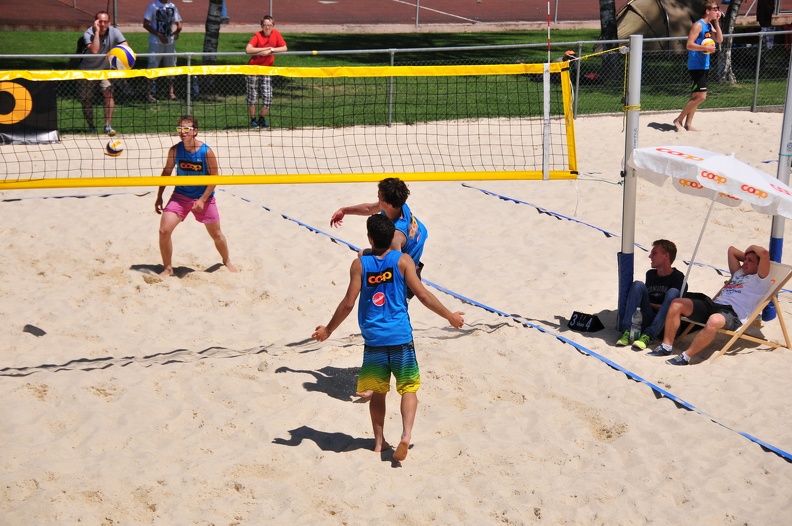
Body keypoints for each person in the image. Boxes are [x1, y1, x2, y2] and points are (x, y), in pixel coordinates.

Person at [311, 214, 465, 461]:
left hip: (374, 341)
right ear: (392, 237)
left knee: (378, 393)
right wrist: (449, 316)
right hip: (400, 337)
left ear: (370, 237)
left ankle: (379, 443)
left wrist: (328, 329)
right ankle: (405, 436)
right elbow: (423, 296)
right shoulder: (403, 261)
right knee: (409, 389)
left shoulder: (360, 265)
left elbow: (348, 303)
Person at [649, 245, 771, 366]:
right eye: (744, 259)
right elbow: (731, 250)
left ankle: (686, 356)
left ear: (759, 265)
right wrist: (749, 255)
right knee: (677, 303)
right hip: (713, 305)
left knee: (713, 320)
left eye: (750, 261)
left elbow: (764, 253)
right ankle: (666, 346)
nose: (744, 263)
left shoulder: (760, 281)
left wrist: (751, 248)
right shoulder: (739, 273)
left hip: (731, 314)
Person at [155, 115, 238, 277]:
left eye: (186, 129)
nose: (182, 132)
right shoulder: (174, 150)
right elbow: (166, 173)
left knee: (217, 234)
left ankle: (227, 260)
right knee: (164, 231)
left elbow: (214, 178)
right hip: (180, 196)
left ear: (195, 131)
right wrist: (159, 196)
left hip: (204, 198)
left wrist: (202, 199)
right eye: (180, 129)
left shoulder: (206, 152)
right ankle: (168, 268)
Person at [330, 177, 428, 299]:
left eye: (379, 197)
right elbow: (368, 209)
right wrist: (344, 211)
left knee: (362, 257)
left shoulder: (395, 236)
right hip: (416, 245)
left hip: (408, 276)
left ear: (388, 204)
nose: (377, 197)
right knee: (366, 254)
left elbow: (397, 267)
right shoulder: (400, 205)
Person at [616, 239, 686, 350]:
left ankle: (649, 336)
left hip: (664, 323)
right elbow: (646, 301)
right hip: (647, 317)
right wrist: (647, 303)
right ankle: (627, 331)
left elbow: (674, 308)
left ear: (666, 256)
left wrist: (650, 304)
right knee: (637, 285)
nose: (650, 256)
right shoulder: (650, 274)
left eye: (654, 253)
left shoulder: (678, 277)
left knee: (673, 292)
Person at [672, 1, 723, 132]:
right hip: (696, 65)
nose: (717, 11)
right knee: (701, 97)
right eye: (715, 9)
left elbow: (720, 40)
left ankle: (688, 124)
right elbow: (689, 45)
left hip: (704, 65)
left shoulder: (709, 25)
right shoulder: (698, 25)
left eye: (718, 9)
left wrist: (716, 23)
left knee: (696, 96)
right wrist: (704, 48)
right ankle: (678, 120)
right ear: (707, 11)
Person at [78, 11, 127, 136]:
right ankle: (91, 127)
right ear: (95, 22)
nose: (103, 24)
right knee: (87, 99)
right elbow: (94, 50)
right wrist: (96, 32)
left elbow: (126, 47)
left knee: (108, 94)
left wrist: (115, 53)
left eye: (105, 22)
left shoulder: (114, 31)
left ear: (109, 22)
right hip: (87, 70)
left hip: (104, 70)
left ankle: (107, 125)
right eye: (100, 21)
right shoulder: (88, 33)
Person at [245, 15, 288, 128]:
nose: (267, 27)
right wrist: (264, 49)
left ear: (273, 26)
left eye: (269, 25)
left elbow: (284, 48)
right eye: (265, 25)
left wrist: (271, 50)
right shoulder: (257, 35)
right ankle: (253, 119)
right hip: (253, 69)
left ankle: (262, 118)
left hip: (267, 69)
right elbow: (248, 49)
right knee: (252, 96)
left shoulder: (276, 34)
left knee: (268, 96)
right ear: (262, 26)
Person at [143, 0, 182, 103]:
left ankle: (171, 92)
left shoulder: (172, 6)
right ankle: (149, 93)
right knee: (152, 65)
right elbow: (146, 24)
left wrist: (176, 32)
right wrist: (159, 35)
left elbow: (179, 23)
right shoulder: (153, 5)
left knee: (171, 66)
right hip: (155, 42)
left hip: (170, 42)